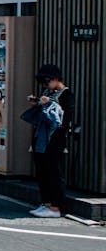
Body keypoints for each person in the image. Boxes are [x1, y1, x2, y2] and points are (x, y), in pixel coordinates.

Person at [29, 63, 73, 218]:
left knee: (53, 171)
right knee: (42, 171)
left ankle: (56, 207)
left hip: (55, 138)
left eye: (47, 81)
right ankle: (46, 203)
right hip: (41, 135)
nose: (45, 85)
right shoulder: (47, 92)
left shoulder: (66, 94)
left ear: (56, 78)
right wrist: (37, 103)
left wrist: (48, 104)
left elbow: (64, 119)